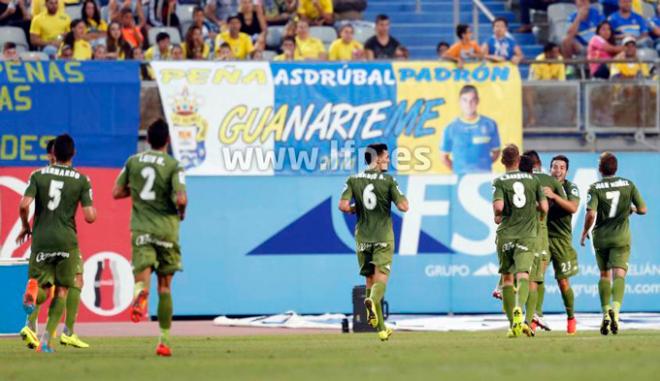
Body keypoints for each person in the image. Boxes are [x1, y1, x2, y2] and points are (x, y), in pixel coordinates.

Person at [112, 119, 187, 356]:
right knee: (165, 287)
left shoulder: (133, 162)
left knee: (142, 277)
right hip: (167, 229)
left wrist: (136, 192)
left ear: (147, 140)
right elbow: (181, 198)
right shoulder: (174, 165)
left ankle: (139, 294)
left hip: (142, 228)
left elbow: (116, 191)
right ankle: (163, 341)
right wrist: (181, 213)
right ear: (167, 141)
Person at [17, 134, 97, 353]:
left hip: (41, 239)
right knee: (62, 289)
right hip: (66, 240)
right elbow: (90, 216)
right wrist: (93, 209)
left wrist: (25, 226)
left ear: (53, 153)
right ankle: (46, 341)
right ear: (73, 153)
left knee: (41, 285)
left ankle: (32, 294)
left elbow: (24, 205)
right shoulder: (81, 179)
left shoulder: (38, 175)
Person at [338, 143, 409, 341]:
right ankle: (371, 300)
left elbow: (343, 206)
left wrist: (355, 209)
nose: (388, 160)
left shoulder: (353, 179)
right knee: (381, 281)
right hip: (383, 237)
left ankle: (381, 329)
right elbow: (404, 206)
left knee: (369, 280)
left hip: (362, 238)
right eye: (386, 156)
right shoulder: (388, 180)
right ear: (377, 158)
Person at [581, 152, 646, 336]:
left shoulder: (594, 188)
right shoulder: (628, 185)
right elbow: (643, 209)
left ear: (600, 168)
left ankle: (605, 312)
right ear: (615, 168)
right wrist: (630, 209)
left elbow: (591, 214)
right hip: (621, 238)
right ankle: (615, 313)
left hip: (601, 237)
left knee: (604, 275)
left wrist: (584, 231)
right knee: (619, 276)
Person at [492, 144, 548, 338]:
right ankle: (519, 310)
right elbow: (544, 206)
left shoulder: (499, 181)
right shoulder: (533, 180)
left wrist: (502, 214)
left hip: (506, 234)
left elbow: (498, 209)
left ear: (502, 161)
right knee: (524, 275)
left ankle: (512, 324)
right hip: (527, 235)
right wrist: (534, 212)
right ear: (518, 160)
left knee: (507, 278)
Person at [522, 150, 566, 335]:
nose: (557, 170)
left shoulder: (515, 181)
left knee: (522, 276)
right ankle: (531, 316)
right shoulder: (549, 182)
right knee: (537, 277)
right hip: (541, 233)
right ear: (539, 164)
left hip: (520, 232)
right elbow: (567, 206)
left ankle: (528, 315)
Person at [544, 155, 581, 335]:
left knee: (563, 282)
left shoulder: (570, 187)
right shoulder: (542, 185)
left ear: (566, 171)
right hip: (542, 238)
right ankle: (535, 318)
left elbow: (573, 207)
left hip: (561, 239)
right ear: (549, 168)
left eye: (561, 167)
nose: (557, 170)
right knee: (536, 279)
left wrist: (553, 197)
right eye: (554, 166)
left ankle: (571, 318)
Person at [440, 85, 501, 174]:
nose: (469, 104)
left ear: (477, 101)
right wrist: (459, 170)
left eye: (472, 100)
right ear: (459, 102)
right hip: (461, 179)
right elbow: (444, 158)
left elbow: (496, 152)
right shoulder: (450, 128)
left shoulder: (490, 124)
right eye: (465, 100)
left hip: (484, 178)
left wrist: (482, 165)